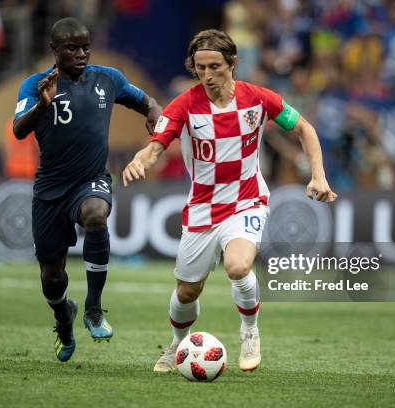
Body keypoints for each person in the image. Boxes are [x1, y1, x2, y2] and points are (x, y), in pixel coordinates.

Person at [122, 29, 336, 373]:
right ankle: (178, 342)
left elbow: (305, 129)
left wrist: (318, 176)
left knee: (238, 266)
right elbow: (158, 143)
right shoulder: (185, 105)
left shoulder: (258, 99)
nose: (207, 75)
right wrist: (140, 160)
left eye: (214, 66)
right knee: (187, 291)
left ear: (233, 63)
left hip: (247, 201)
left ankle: (249, 332)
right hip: (202, 209)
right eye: (200, 67)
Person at [13, 17, 161, 362]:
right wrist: (42, 105)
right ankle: (64, 319)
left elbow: (146, 100)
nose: (81, 54)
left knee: (96, 215)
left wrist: (154, 112)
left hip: (90, 179)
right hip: (50, 189)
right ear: (54, 50)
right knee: (52, 276)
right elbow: (19, 129)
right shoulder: (35, 85)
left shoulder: (107, 79)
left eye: (85, 47)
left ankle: (93, 308)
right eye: (72, 48)